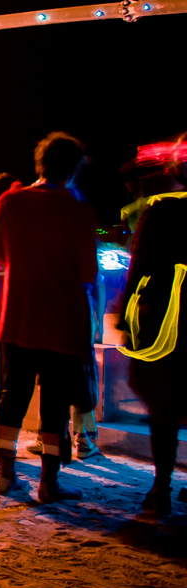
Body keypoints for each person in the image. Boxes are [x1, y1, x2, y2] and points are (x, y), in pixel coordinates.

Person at [0, 132, 98, 503]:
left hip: (17, 317)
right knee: (55, 404)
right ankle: (49, 484)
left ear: (39, 164)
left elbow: (0, 257)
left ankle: (6, 475)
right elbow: (88, 273)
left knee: (12, 395)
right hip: (62, 322)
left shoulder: (9, 202)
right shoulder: (78, 210)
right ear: (73, 170)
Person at [116, 139, 187, 515]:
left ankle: (161, 487)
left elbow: (138, 267)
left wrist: (125, 317)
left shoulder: (160, 210)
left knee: (164, 407)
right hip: (168, 317)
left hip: (165, 319)